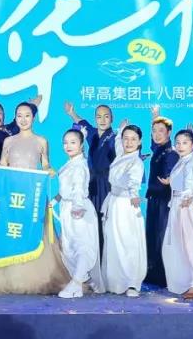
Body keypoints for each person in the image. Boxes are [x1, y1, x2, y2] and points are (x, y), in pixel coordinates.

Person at [0, 101, 72, 294]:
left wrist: (49, 170)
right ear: (15, 118)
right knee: (13, 233)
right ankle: (11, 277)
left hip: (33, 193)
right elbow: (3, 166)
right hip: (13, 195)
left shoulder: (41, 141)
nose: (23, 119)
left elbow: (45, 164)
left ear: (33, 118)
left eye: (27, 115)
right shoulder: (9, 141)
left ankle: (36, 278)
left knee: (34, 234)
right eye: (19, 115)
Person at [162, 129, 193, 300]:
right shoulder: (182, 160)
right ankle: (186, 281)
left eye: (185, 142)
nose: (180, 146)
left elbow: (190, 183)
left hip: (187, 206)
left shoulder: (192, 161)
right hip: (178, 204)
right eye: (178, 142)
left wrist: (186, 197)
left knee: (192, 245)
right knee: (179, 245)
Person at [101, 121, 147, 296]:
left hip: (127, 205)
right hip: (114, 203)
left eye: (133, 139)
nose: (129, 142)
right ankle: (115, 282)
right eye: (125, 138)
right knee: (113, 242)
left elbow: (134, 183)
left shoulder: (136, 162)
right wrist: (120, 129)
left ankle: (131, 283)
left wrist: (134, 196)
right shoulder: (121, 155)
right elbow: (118, 144)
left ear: (139, 141)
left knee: (128, 243)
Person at [56, 129, 103, 299]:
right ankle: (88, 281)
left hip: (79, 209)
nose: (68, 146)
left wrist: (77, 206)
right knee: (70, 248)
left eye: (73, 142)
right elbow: (65, 189)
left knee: (82, 246)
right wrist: (54, 201)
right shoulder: (70, 163)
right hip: (67, 208)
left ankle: (75, 284)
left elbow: (78, 188)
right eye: (65, 142)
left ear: (81, 145)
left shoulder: (80, 165)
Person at [63, 102, 117, 243]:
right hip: (90, 182)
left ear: (112, 119)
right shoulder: (92, 133)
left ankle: (105, 251)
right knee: (90, 220)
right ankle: (93, 251)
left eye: (106, 116)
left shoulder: (115, 137)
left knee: (105, 218)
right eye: (99, 117)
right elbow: (82, 122)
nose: (102, 120)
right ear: (95, 119)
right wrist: (72, 113)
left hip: (106, 184)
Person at [144, 112, 179, 288]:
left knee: (161, 236)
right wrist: (155, 116)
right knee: (152, 235)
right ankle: (153, 272)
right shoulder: (159, 149)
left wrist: (168, 181)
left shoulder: (171, 153)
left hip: (164, 201)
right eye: (154, 130)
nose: (157, 134)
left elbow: (170, 178)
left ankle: (163, 275)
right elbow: (153, 143)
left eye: (161, 131)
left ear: (169, 132)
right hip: (154, 199)